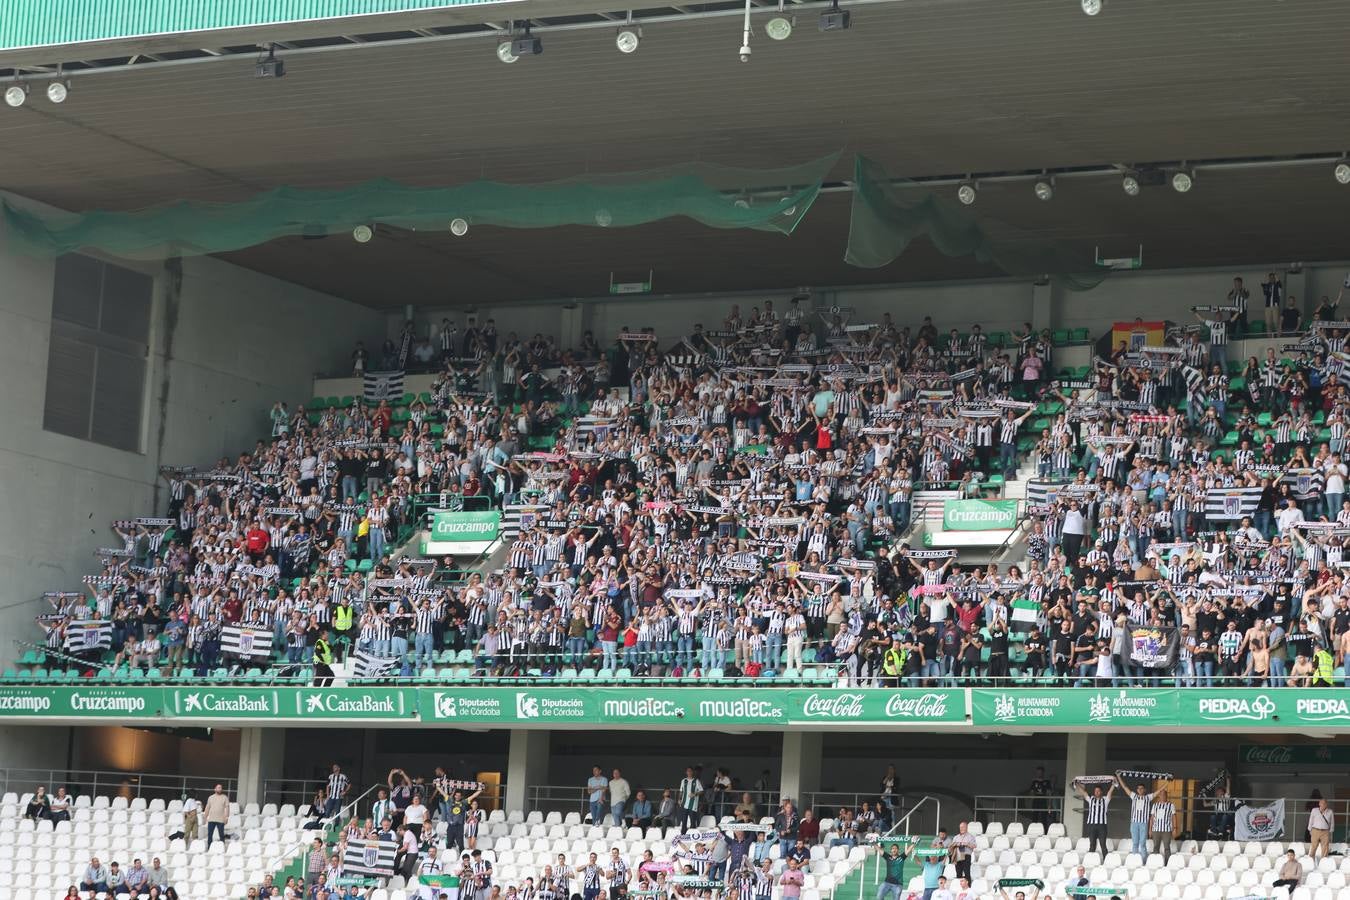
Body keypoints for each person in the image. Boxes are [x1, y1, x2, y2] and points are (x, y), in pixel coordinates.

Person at [1073, 779, 1115, 859]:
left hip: (1102, 826)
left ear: (1101, 792)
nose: (1096, 792)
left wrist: (1113, 784)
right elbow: (1084, 793)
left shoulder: (1105, 800)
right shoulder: (1091, 799)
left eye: (1098, 791)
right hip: (1091, 825)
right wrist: (1077, 784)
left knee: (1103, 845)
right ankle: (1091, 861)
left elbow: (1110, 792)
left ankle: (1106, 861)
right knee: (1092, 845)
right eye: (1095, 791)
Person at [1117, 775, 1155, 861]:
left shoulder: (1148, 797)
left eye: (1142, 788)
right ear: (1137, 790)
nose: (1140, 790)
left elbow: (1158, 791)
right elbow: (1125, 787)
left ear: (1145, 790)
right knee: (1135, 843)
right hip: (1134, 823)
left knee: (1142, 844)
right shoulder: (1134, 796)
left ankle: (1144, 862)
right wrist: (1119, 777)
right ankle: (1135, 861)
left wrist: (1167, 782)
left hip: (1143, 824)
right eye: (1138, 788)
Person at [1147, 789, 1176, 864]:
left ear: (1167, 795)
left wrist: (1174, 828)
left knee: (1167, 847)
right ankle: (1156, 863)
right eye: (1161, 795)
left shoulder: (1171, 805)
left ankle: (1168, 864)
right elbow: (1152, 818)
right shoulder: (1155, 805)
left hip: (1167, 830)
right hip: (1156, 830)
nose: (1162, 796)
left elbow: (1174, 817)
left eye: (1164, 794)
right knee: (1156, 847)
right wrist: (1150, 829)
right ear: (1159, 796)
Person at [204, 783, 231, 848]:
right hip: (211, 819)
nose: (220, 789)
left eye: (221, 788)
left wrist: (226, 817)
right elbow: (207, 807)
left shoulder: (225, 797)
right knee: (210, 835)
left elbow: (227, 808)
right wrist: (205, 816)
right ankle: (209, 848)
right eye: (218, 788)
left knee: (221, 835)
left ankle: (222, 847)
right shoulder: (210, 797)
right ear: (215, 789)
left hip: (221, 819)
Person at [1308, 798, 1333, 862]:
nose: (1323, 804)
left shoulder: (1330, 811)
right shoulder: (1314, 810)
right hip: (1315, 830)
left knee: (1325, 848)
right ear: (1319, 804)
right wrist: (1310, 829)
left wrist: (1330, 832)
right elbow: (1311, 820)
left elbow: (1332, 822)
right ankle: (1311, 862)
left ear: (1326, 804)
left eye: (1324, 803)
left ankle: (1323, 862)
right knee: (1313, 846)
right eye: (1321, 803)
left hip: (1325, 831)